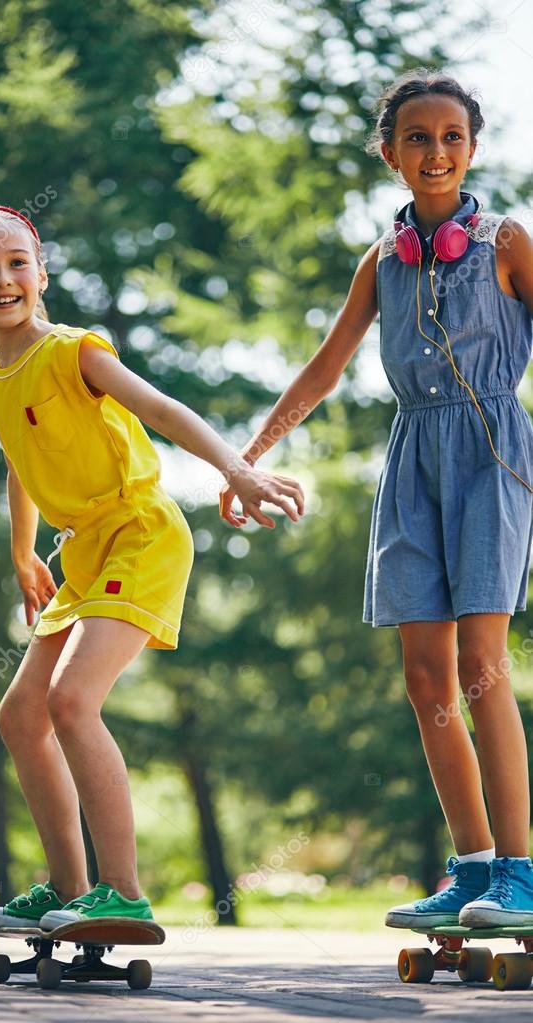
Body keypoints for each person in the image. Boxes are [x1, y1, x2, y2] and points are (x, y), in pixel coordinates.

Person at [219, 70, 533, 926]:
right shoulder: (380, 261)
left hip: (492, 454)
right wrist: (249, 456)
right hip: (412, 461)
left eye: (452, 138)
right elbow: (325, 367)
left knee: (481, 667)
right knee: (425, 673)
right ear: (390, 155)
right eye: (418, 139)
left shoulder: (507, 241)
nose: (436, 152)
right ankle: (471, 867)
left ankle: (522, 870)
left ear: (471, 148)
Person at [0, 204, 304, 928]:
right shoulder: (0, 372)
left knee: (71, 702)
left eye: (17, 263)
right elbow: (21, 464)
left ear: (41, 276)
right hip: (84, 553)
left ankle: (124, 893)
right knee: (20, 715)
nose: (2, 278)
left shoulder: (72, 351)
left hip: (141, 534)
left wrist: (237, 468)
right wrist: (22, 556)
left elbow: (162, 409)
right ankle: (72, 890)